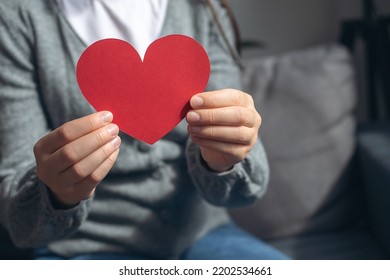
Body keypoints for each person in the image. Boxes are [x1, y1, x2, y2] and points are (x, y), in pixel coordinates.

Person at [0, 0, 288, 260]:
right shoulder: (17, 17)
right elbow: (20, 221)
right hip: (85, 247)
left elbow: (243, 192)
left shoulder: (202, 8)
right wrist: (58, 193)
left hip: (202, 234)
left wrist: (223, 159)